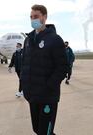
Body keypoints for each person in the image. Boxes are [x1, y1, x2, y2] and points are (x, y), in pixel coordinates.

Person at [21, 4, 68, 135]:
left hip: (48, 96)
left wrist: (49, 86)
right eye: (31, 17)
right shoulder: (28, 40)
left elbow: (63, 67)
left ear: (45, 17)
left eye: (36, 16)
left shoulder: (55, 39)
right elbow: (25, 65)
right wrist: (24, 86)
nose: (33, 20)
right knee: (37, 129)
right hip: (32, 95)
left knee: (45, 132)